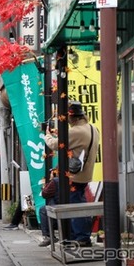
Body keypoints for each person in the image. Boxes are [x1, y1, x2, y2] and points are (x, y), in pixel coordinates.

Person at [45, 101, 100, 247]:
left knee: (74, 205)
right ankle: (79, 235)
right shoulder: (93, 128)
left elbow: (54, 145)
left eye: (66, 118)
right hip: (85, 174)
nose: (66, 121)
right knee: (78, 202)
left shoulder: (75, 131)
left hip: (74, 175)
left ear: (72, 118)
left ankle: (81, 237)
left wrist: (47, 136)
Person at [38, 168, 60, 247]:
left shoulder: (55, 181)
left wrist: (51, 180)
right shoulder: (73, 178)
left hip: (58, 210)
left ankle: (48, 236)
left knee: (43, 210)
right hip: (71, 206)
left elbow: (45, 194)